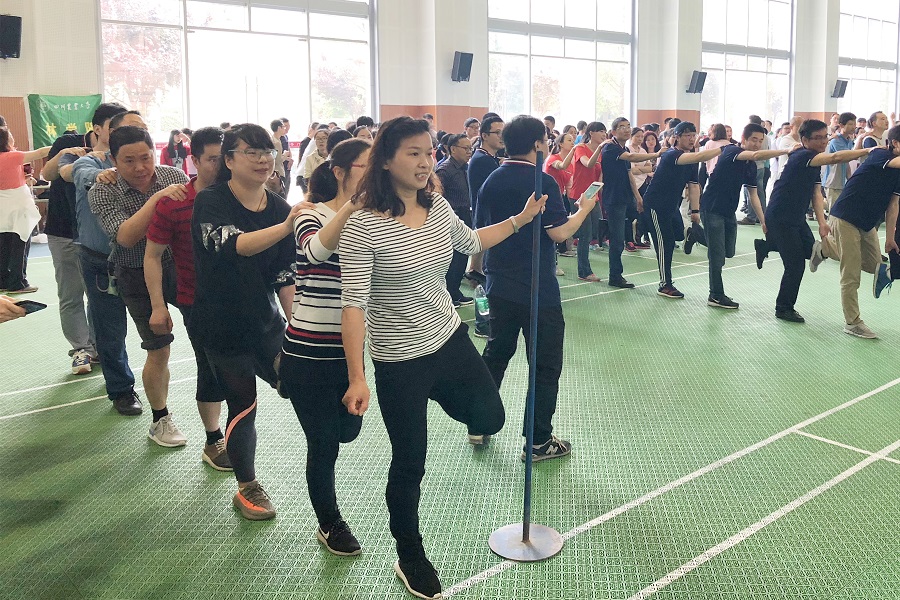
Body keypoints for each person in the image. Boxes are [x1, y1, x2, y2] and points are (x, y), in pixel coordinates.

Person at [339, 116, 544, 600]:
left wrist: (521, 219)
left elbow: (472, 242)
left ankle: (439, 395)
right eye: (413, 153)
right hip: (398, 360)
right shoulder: (363, 224)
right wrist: (357, 376)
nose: (424, 162)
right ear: (385, 160)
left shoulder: (438, 206)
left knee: (490, 418)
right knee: (410, 461)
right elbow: (354, 305)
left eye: (428, 152)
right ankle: (410, 555)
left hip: (449, 339)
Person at [191, 124, 303, 520]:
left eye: (267, 151)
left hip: (266, 322)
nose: (262, 159)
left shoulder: (279, 208)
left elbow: (284, 276)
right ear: (229, 160)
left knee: (302, 381)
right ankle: (247, 487)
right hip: (220, 325)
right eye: (251, 152)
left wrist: (298, 327)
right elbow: (233, 245)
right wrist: (287, 227)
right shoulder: (211, 201)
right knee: (243, 404)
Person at [476, 114, 598, 461]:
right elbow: (559, 233)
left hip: (499, 282)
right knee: (544, 365)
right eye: (545, 139)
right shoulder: (540, 181)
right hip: (537, 290)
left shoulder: (491, 179)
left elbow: (481, 231)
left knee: (496, 353)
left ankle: (479, 422)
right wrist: (584, 209)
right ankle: (538, 440)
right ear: (537, 144)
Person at [281, 138, 370, 557]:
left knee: (347, 431)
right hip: (306, 353)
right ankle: (330, 522)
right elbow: (316, 251)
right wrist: (352, 207)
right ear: (339, 171)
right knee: (324, 444)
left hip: (349, 354)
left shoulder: (373, 220)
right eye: (367, 167)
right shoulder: (309, 213)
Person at [89, 125, 190, 446]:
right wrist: (158, 198)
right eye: (129, 161)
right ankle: (161, 420)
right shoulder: (103, 190)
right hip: (133, 273)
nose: (140, 167)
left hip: (180, 266)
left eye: (145, 158)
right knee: (159, 347)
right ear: (113, 160)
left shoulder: (174, 176)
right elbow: (126, 236)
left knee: (207, 333)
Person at [144, 126, 231, 468]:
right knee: (210, 368)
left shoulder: (245, 196)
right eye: (213, 159)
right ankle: (214, 439)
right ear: (194, 160)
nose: (222, 165)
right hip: (197, 302)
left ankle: (234, 435)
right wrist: (157, 306)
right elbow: (152, 256)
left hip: (244, 299)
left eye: (227, 157)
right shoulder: (174, 202)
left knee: (240, 370)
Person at [59, 103, 144, 416]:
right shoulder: (90, 162)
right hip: (101, 261)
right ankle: (121, 390)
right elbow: (77, 173)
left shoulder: (147, 166)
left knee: (156, 325)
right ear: (106, 132)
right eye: (127, 128)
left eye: (142, 129)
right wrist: (106, 174)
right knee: (110, 329)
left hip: (142, 258)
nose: (137, 133)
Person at [755, 119, 871, 323]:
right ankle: (783, 308)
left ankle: (767, 246)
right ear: (805, 140)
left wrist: (822, 222)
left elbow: (816, 193)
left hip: (796, 217)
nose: (823, 141)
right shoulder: (804, 156)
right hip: (781, 217)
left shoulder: (814, 160)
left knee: (813, 251)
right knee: (795, 265)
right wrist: (868, 151)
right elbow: (835, 157)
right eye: (818, 138)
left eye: (825, 137)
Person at [684, 123, 793, 308]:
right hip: (712, 208)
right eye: (753, 140)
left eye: (760, 141)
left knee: (729, 251)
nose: (757, 144)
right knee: (717, 256)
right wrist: (787, 150)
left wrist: (763, 220)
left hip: (729, 211)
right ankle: (715, 295)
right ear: (743, 139)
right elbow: (756, 155)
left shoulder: (751, 166)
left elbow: (753, 195)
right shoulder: (731, 151)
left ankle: (695, 234)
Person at [810, 125, 900, 339]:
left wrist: (889, 238)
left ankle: (824, 249)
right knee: (851, 273)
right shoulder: (880, 155)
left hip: (867, 222)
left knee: (876, 266)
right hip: (846, 216)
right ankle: (852, 322)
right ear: (895, 144)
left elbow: (894, 205)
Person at [641, 122, 722, 299]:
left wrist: (695, 211)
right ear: (676, 137)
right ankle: (665, 284)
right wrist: (722, 149)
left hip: (672, 206)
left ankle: (685, 234)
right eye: (687, 135)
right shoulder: (672, 155)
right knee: (665, 244)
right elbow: (698, 157)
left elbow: (693, 186)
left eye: (694, 135)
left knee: (678, 234)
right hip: (655, 206)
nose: (692, 139)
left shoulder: (691, 160)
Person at [41, 129, 97, 373]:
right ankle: (81, 349)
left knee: (98, 296)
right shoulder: (68, 142)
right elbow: (47, 173)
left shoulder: (117, 151)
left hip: (95, 233)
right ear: (99, 128)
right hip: (62, 231)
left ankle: (99, 346)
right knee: (71, 294)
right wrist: (64, 154)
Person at [601, 117, 663, 288]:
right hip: (614, 198)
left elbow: (629, 174)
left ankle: (616, 274)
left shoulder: (623, 148)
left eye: (628, 126)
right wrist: (656, 154)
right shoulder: (611, 148)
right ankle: (615, 276)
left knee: (621, 236)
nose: (627, 129)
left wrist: (638, 197)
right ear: (614, 131)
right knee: (617, 239)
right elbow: (631, 157)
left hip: (625, 197)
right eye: (622, 127)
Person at [0, 127, 48, 294]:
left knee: (4, 245)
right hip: (18, 207)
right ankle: (17, 282)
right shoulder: (12, 156)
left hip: (3, 208)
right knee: (20, 244)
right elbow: (40, 152)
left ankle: (3, 281)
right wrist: (62, 147)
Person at [435, 133, 475, 306]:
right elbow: (436, 196)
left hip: (466, 214)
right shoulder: (444, 170)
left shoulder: (465, 167)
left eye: (470, 148)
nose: (469, 151)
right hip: (452, 217)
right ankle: (449, 294)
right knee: (453, 258)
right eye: (465, 148)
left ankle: (455, 291)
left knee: (463, 256)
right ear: (452, 149)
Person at [466, 115, 505, 289]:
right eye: (497, 133)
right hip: (487, 218)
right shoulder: (483, 160)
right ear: (484, 135)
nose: (502, 137)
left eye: (503, 132)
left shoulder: (487, 158)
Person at [571, 121, 606, 282]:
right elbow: (588, 163)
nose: (604, 134)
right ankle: (584, 271)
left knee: (593, 233)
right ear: (591, 133)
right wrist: (599, 149)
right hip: (579, 197)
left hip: (593, 197)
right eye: (601, 131)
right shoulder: (581, 148)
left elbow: (599, 175)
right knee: (585, 235)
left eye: (605, 132)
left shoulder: (601, 153)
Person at [822, 112, 857, 211]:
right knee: (834, 212)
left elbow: (846, 163)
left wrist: (849, 178)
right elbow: (847, 157)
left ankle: (817, 203)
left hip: (842, 183)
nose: (853, 127)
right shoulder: (836, 140)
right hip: (832, 182)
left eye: (854, 124)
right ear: (841, 125)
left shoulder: (849, 141)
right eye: (850, 124)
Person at [626, 127, 653, 248]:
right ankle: (628, 240)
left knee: (642, 212)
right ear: (631, 136)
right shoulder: (627, 150)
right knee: (631, 212)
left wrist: (639, 168)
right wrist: (642, 169)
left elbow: (649, 168)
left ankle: (638, 237)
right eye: (637, 136)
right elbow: (632, 170)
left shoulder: (643, 151)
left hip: (643, 185)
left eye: (641, 136)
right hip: (630, 185)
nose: (640, 139)